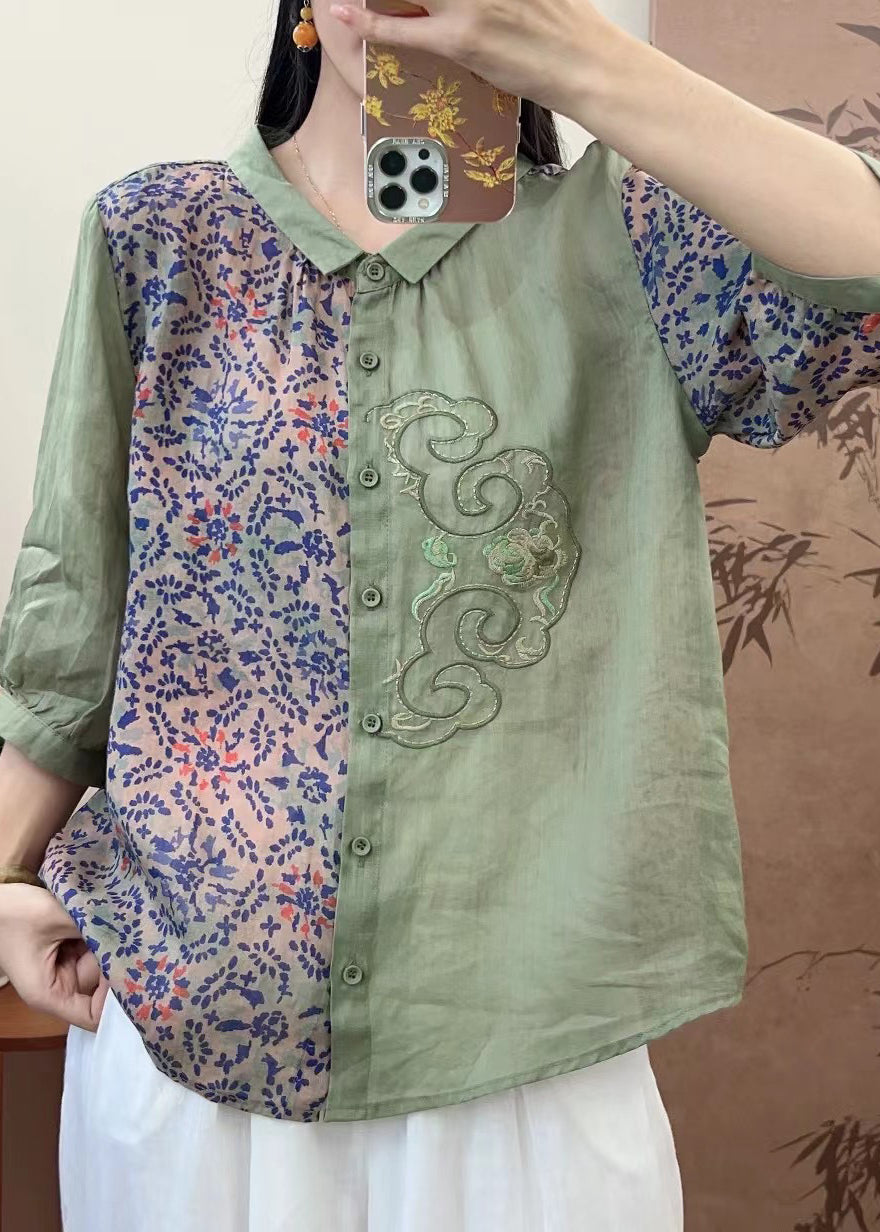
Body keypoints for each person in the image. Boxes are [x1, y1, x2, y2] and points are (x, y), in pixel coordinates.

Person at [2, 0, 880, 1228]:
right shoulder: (159, 237)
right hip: (192, 1044)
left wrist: (573, 57)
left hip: (529, 1050)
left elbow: (860, 264)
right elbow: (69, 628)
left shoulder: (625, 238)